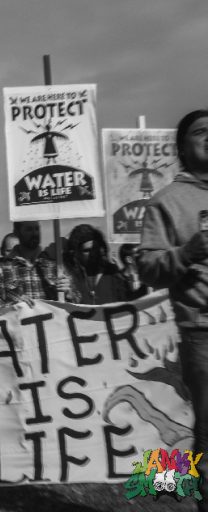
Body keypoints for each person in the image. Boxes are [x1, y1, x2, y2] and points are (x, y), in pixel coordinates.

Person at [138, 109, 208, 512]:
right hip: (202, 331)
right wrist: (189, 252)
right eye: (201, 132)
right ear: (183, 147)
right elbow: (147, 267)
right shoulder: (166, 202)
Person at [0, 221, 77, 308]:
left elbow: (79, 303)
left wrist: (69, 293)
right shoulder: (2, 270)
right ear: (17, 232)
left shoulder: (56, 267)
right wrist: (14, 306)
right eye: (29, 229)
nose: (34, 233)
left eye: (37, 229)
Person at [64, 224, 130, 304]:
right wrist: (67, 296)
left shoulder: (113, 273)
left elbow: (126, 303)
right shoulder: (70, 278)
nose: (93, 253)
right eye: (87, 250)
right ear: (76, 253)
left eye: (95, 248)